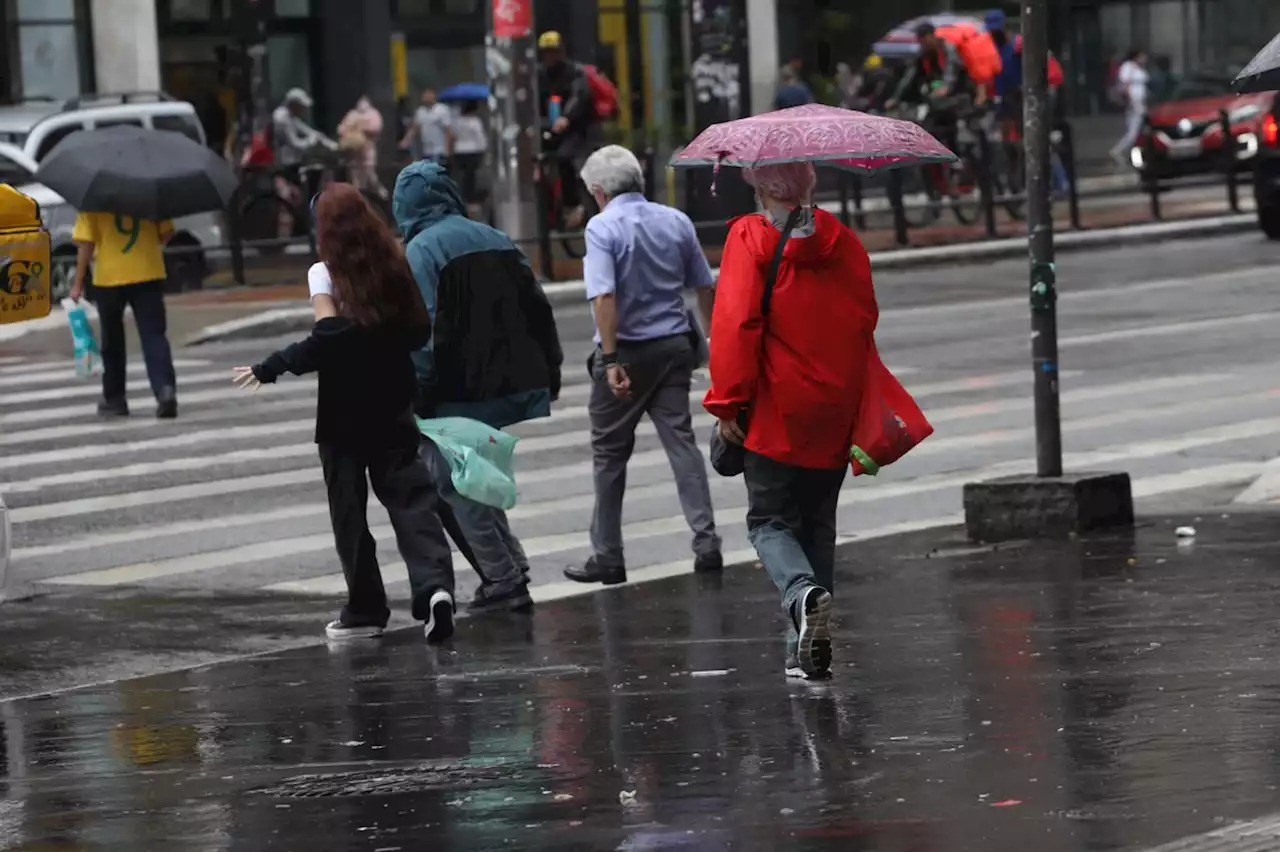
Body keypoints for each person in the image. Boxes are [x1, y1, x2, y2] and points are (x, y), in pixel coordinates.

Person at [235, 184, 457, 644]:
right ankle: (435, 589)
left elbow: (328, 338)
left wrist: (271, 366)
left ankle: (366, 610)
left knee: (349, 512)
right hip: (393, 399)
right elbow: (418, 330)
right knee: (411, 501)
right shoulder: (394, 264)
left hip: (343, 410)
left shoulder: (324, 273)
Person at [703, 162, 877, 681]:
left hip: (777, 408)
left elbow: (736, 322)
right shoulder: (842, 239)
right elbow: (865, 315)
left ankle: (801, 597)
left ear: (759, 187)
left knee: (771, 521)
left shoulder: (749, 237)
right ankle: (806, 651)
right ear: (809, 186)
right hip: (835, 406)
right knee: (818, 525)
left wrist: (727, 402)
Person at [394, 160, 564, 614]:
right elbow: (537, 305)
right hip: (506, 381)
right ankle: (513, 564)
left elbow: (422, 329)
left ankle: (505, 579)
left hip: (456, 387)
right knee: (477, 475)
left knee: (457, 484)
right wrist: (552, 367)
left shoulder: (420, 251)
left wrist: (418, 390)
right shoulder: (495, 237)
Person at [567, 145, 722, 586]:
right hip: (675, 347)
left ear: (599, 191)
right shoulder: (675, 220)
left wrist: (611, 358)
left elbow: (604, 297)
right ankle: (706, 542)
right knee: (682, 445)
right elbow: (703, 285)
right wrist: (711, 342)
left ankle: (609, 556)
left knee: (610, 455)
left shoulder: (602, 228)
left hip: (629, 353)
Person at [70, 211, 178, 419]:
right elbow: (165, 234)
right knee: (154, 335)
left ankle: (115, 398)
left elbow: (86, 243)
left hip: (109, 277)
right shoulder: (149, 195)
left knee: (112, 341)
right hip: (147, 272)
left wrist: (78, 283)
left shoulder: (94, 201)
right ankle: (165, 389)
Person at [537, 30, 596, 229]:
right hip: (546, 125)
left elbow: (579, 96)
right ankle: (546, 209)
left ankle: (573, 204)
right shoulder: (539, 73)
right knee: (536, 161)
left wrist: (567, 118)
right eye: (546, 52)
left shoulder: (574, 71)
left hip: (572, 128)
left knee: (564, 158)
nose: (550, 56)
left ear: (561, 51)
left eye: (553, 51)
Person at [338, 95, 387, 199]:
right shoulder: (352, 114)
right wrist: (349, 132)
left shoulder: (373, 114)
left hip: (367, 146)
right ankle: (358, 195)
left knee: (368, 170)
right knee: (355, 172)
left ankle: (380, 192)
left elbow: (375, 128)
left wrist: (361, 128)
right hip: (354, 149)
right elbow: (341, 128)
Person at [1110, 50, 1149, 167]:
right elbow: (1125, 84)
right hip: (1134, 102)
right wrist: (1132, 100)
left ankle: (1135, 156)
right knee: (1134, 132)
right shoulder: (1128, 67)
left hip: (1140, 101)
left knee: (1138, 130)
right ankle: (1118, 151)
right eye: (1142, 56)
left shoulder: (1139, 68)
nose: (1144, 59)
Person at [450, 100, 489, 212]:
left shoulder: (457, 121)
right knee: (470, 175)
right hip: (473, 151)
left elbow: (453, 136)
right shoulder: (475, 121)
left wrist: (451, 151)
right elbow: (480, 137)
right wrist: (484, 149)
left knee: (460, 175)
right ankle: (469, 198)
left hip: (459, 150)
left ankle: (460, 196)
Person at [400, 88, 454, 164]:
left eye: (429, 95)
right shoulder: (420, 111)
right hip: (425, 149)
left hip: (439, 149)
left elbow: (448, 130)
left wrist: (448, 148)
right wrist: (406, 140)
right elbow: (414, 128)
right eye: (425, 96)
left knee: (436, 172)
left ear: (434, 96)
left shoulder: (441, 109)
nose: (426, 97)